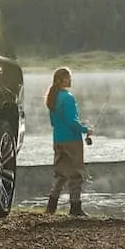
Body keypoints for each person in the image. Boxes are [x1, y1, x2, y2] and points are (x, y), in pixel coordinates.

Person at [44, 67, 92, 217]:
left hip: (58, 139)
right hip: (72, 140)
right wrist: (86, 129)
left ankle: (51, 207)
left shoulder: (53, 97)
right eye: (68, 78)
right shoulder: (68, 97)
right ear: (61, 80)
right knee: (76, 174)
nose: (70, 80)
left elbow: (54, 122)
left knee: (61, 174)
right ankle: (75, 208)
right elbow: (72, 122)